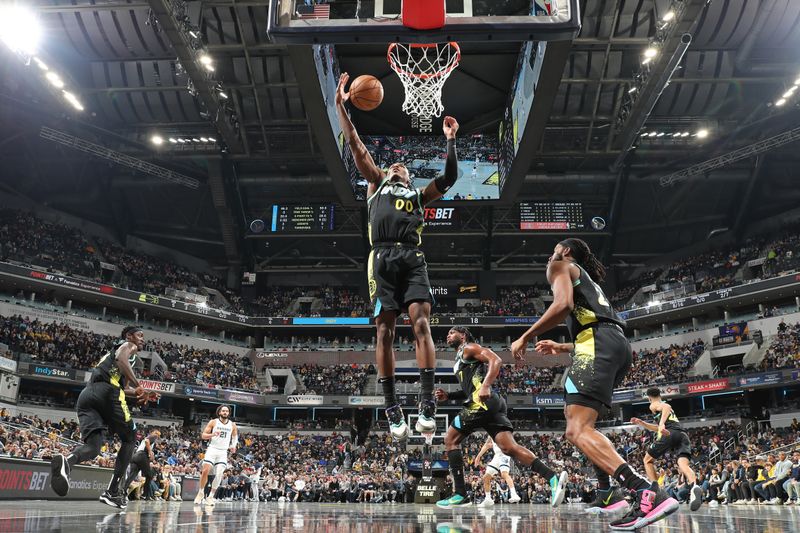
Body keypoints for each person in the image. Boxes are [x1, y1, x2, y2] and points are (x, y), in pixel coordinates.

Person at [511, 239, 678, 530]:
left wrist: (526, 336)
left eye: (555, 248)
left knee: (576, 429)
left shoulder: (559, 265)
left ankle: (643, 490)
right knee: (580, 423)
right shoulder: (586, 279)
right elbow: (596, 323)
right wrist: (563, 348)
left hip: (596, 344)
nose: (551, 253)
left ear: (565, 251)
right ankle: (609, 493)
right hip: (615, 344)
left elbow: (563, 305)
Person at [336, 72, 461, 441]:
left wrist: (451, 141)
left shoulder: (419, 195)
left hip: (412, 257)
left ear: (408, 177)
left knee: (421, 326)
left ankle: (426, 402)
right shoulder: (375, 184)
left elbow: (450, 178)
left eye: (402, 167)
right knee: (385, 331)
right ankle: (391, 405)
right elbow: (357, 146)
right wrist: (342, 108)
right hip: (381, 258)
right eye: (394, 165)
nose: (397, 166)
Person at [434, 327, 567, 509]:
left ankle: (460, 494)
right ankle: (552, 477)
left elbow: (495, 360)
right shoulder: (459, 358)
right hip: (491, 403)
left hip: (481, 403)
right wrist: (449, 397)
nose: (448, 335)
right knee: (509, 447)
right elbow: (469, 388)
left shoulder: (469, 348)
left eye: (452, 332)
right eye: (447, 333)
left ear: (463, 335)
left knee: (450, 439)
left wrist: (487, 385)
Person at [49, 326, 152, 509]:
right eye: (140, 335)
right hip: (107, 393)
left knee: (93, 447)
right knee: (130, 438)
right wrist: (140, 385)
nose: (142, 339)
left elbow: (124, 389)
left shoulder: (124, 359)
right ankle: (112, 491)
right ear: (129, 336)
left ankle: (67, 463)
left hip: (87, 396)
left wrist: (139, 393)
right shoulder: (128, 346)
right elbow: (121, 363)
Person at [630, 388, 702, 511]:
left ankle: (656, 492)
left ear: (649, 397)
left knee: (647, 460)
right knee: (683, 464)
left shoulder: (654, 404)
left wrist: (662, 424)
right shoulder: (663, 409)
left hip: (669, 434)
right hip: (682, 435)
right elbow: (658, 427)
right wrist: (643, 423)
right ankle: (694, 485)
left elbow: (666, 407)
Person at [194, 405, 238, 506]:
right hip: (212, 449)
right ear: (219, 412)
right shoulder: (213, 422)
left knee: (219, 474)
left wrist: (233, 445)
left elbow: (235, 437)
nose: (225, 412)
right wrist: (213, 434)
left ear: (229, 413)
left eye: (227, 411)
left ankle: (210, 497)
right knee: (205, 471)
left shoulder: (232, 425)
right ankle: (200, 493)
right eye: (223, 411)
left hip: (223, 452)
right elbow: (203, 436)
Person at [473, 436, 521, 506]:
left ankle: (514, 494)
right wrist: (478, 456)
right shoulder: (490, 434)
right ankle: (488, 499)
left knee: (504, 474)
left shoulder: (502, 429)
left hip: (504, 454)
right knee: (486, 477)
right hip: (497, 456)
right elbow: (487, 445)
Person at [124, 429, 160, 500]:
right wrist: (150, 452)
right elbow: (147, 441)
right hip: (141, 456)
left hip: (135, 456)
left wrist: (150, 454)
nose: (157, 437)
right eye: (158, 435)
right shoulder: (153, 436)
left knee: (132, 475)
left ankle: (123, 491)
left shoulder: (148, 440)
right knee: (149, 475)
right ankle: (145, 494)